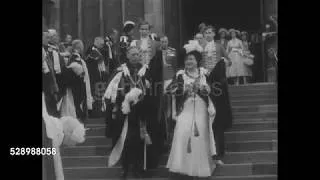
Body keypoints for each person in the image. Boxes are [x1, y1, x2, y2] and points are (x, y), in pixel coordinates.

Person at [166, 41, 217, 178]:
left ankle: (199, 168)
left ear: (197, 61)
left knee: (199, 137)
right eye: (187, 59)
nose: (189, 61)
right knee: (182, 133)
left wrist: (206, 89)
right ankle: (183, 166)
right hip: (185, 109)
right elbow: (169, 89)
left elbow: (214, 89)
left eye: (192, 59)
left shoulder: (204, 73)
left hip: (201, 109)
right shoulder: (180, 75)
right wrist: (183, 89)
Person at [103, 46, 153, 178]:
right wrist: (124, 98)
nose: (135, 57)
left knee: (139, 140)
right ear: (127, 55)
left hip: (141, 111)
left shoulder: (146, 70)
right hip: (124, 111)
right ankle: (124, 167)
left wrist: (147, 88)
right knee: (125, 139)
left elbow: (152, 90)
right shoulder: (120, 71)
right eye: (132, 54)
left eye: (137, 54)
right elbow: (112, 91)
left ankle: (138, 167)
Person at [201, 25, 233, 165]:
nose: (208, 34)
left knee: (218, 114)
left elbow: (228, 60)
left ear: (214, 34)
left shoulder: (219, 46)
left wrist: (224, 62)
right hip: (205, 81)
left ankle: (219, 149)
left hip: (218, 83)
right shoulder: (201, 47)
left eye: (210, 32)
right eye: (206, 33)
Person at [60, 40, 93, 122]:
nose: (83, 48)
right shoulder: (76, 58)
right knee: (79, 106)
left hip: (79, 86)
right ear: (78, 48)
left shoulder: (75, 57)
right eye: (81, 47)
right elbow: (78, 72)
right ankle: (80, 124)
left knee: (78, 106)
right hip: (78, 87)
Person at [159, 35, 177, 147]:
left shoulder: (172, 51)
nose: (164, 43)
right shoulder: (156, 52)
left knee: (171, 103)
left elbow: (175, 65)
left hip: (171, 79)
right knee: (163, 105)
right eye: (162, 41)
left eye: (165, 41)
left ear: (168, 42)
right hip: (160, 80)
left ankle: (172, 127)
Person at [85, 37, 108, 115]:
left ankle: (98, 111)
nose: (102, 46)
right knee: (95, 95)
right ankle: (95, 112)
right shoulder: (92, 51)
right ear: (96, 43)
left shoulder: (98, 51)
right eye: (101, 44)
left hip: (99, 77)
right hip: (94, 77)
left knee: (99, 95)